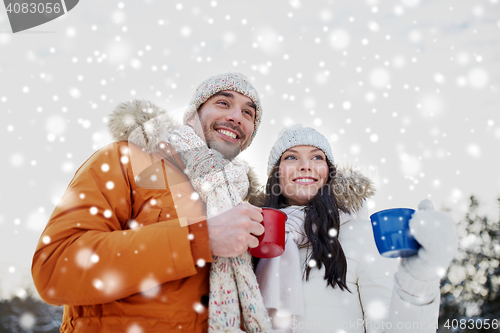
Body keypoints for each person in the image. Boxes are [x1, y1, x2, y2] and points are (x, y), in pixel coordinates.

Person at [31, 72, 269, 332]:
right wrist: (199, 239)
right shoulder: (127, 160)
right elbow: (55, 268)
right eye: (223, 103)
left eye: (248, 113)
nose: (236, 116)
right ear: (192, 116)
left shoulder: (242, 200)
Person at [252, 126, 458, 333]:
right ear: (275, 173)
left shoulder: (363, 236)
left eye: (316, 158)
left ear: (329, 172)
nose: (305, 166)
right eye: (291, 158)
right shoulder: (251, 238)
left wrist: (418, 279)